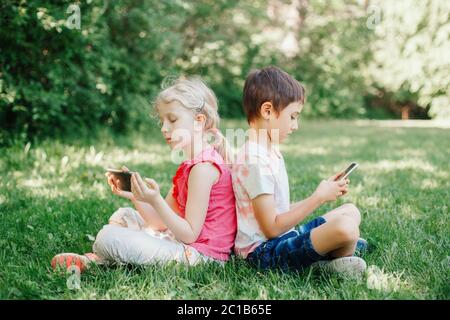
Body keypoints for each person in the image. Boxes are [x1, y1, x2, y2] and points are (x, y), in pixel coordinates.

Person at [51, 76, 237, 271]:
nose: (164, 128)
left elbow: (189, 234)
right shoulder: (189, 166)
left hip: (200, 258)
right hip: (183, 244)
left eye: (172, 120)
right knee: (124, 215)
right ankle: (99, 258)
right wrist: (136, 195)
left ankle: (97, 259)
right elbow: (158, 224)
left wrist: (156, 200)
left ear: (199, 122)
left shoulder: (203, 168)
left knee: (109, 237)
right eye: (162, 121)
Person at [232, 66, 368, 278]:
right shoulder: (254, 161)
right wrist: (318, 198)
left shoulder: (268, 151)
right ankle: (323, 264)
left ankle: (329, 254)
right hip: (263, 254)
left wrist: (323, 193)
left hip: (283, 237)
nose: (295, 125)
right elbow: (271, 229)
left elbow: (279, 212)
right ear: (267, 111)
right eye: (293, 116)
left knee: (350, 211)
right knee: (346, 228)